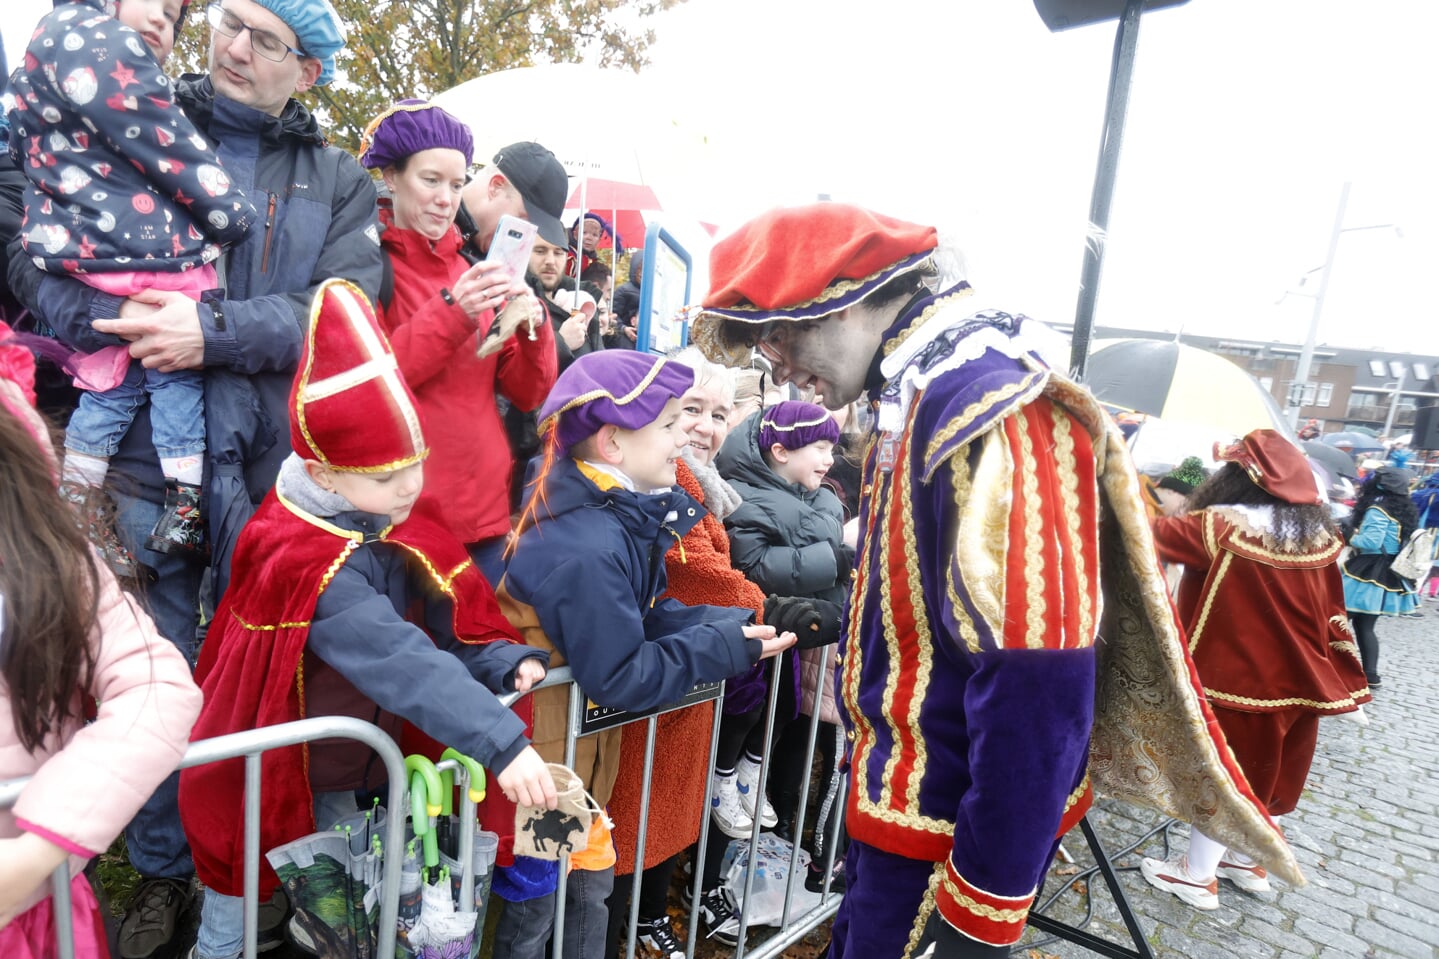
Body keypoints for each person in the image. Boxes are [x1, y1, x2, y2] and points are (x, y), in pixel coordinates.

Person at [690, 203, 1298, 958]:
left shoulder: (987, 405)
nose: (773, 359)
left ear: (844, 297)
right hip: (904, 810)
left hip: (946, 837)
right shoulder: (926, 392)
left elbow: (1037, 683)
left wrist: (983, 905)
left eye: (777, 329)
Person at [6, 1, 381, 952]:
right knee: (140, 676)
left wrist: (205, 334)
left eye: (264, 37)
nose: (231, 46)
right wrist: (105, 321)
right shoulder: (129, 105)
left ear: (309, 68)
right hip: (137, 474)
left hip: (263, 479)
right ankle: (153, 873)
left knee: (241, 692)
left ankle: (239, 873)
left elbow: (341, 307)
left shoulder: (336, 179)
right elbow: (24, 234)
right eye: (227, 21)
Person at [177, 279, 557, 959]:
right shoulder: (301, 551)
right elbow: (396, 655)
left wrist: (499, 657)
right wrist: (500, 740)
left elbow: (447, 599)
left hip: (357, 760)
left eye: (416, 466)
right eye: (389, 476)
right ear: (322, 474)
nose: (410, 488)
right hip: (291, 763)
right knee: (243, 914)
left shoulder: (381, 507)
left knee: (347, 916)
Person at [492, 349, 797, 959]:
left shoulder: (602, 515)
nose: (686, 432)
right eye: (667, 424)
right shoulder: (584, 542)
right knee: (542, 910)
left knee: (581, 893)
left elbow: (647, 614)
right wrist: (721, 647)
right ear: (611, 443)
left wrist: (739, 624)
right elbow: (621, 672)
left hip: (571, 760)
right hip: (550, 772)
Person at [8, 0, 261, 577]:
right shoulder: (101, 47)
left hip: (98, 269)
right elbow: (172, 151)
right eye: (159, 5)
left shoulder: (38, 70)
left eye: (175, 18)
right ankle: (184, 507)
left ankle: (78, 507)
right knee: (172, 392)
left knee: (108, 395)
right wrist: (231, 216)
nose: (161, 25)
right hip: (153, 265)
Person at [0, 329, 202, 958]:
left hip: (32, 898)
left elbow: (154, 680)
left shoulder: (48, 563)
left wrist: (45, 843)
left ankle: (168, 878)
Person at [1140, 430, 1371, 910]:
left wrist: (1131, 485)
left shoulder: (1223, 527)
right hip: (1305, 681)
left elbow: (1141, 533)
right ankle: (1248, 861)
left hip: (1237, 679)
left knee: (1225, 778)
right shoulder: (1320, 534)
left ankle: (1196, 877)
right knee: (1270, 778)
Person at [357, 100, 553, 586]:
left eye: (457, 184)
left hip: (481, 515)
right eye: (431, 180)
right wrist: (455, 311)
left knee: (479, 656)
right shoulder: (366, 265)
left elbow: (529, 394)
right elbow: (374, 384)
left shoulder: (473, 270)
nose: (446, 198)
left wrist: (533, 325)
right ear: (391, 176)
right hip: (399, 518)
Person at [713, 401, 847, 838]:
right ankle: (724, 780)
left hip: (791, 631)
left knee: (783, 710)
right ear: (781, 451)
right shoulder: (743, 493)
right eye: (820, 446)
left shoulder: (820, 498)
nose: (830, 458)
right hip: (756, 625)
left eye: (833, 447)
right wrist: (833, 561)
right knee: (745, 712)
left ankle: (750, 777)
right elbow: (752, 562)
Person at [1342, 465, 1420, 686]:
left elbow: (1370, 542)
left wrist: (1350, 537)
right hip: (1387, 571)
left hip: (1367, 571)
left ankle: (1323, 666)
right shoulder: (1404, 508)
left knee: (1336, 621)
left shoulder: (1379, 509)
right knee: (1365, 626)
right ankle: (1371, 674)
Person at [454, 141, 568, 263]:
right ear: (496, 187)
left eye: (533, 232)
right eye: (522, 221)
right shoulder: (434, 226)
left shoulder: (497, 259)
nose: (521, 236)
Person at [532, 234, 603, 368]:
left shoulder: (584, 301)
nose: (551, 261)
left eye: (558, 253)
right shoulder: (510, 304)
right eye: (540, 251)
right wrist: (561, 342)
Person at [1410, 472, 1439, 600]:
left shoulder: (1418, 493)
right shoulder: (1436, 496)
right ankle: (1412, 596)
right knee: (1425, 566)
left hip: (1416, 530)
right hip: (1433, 534)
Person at [609, 250, 643, 348]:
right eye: (639, 269)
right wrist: (624, 328)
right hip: (623, 337)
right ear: (634, 269)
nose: (642, 274)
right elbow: (613, 315)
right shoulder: (623, 290)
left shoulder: (651, 293)